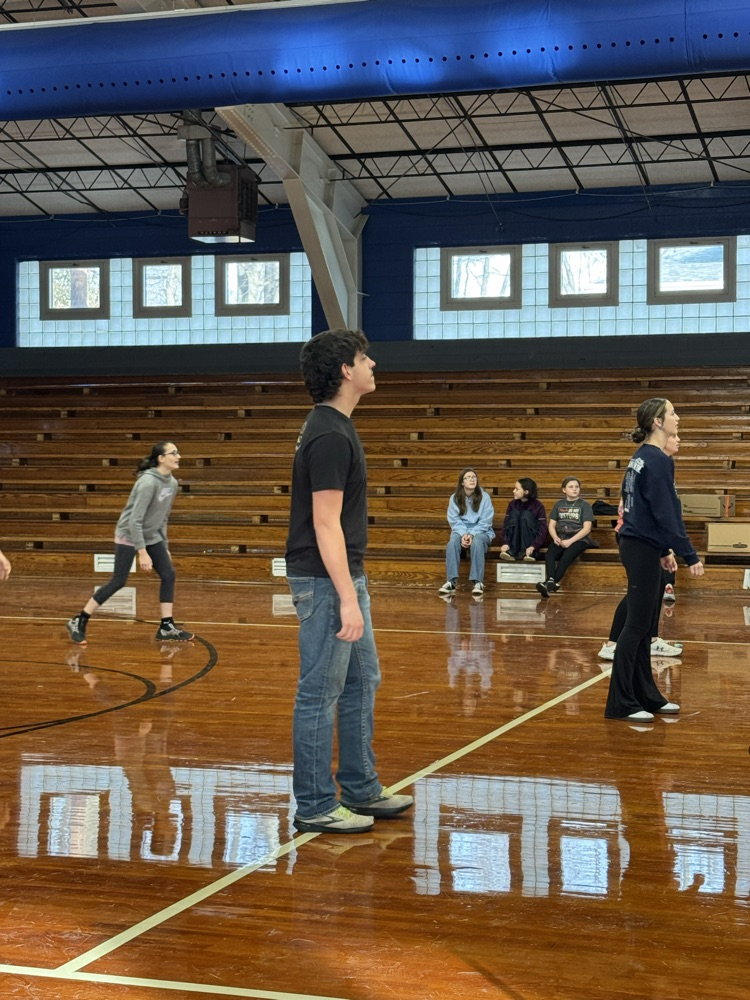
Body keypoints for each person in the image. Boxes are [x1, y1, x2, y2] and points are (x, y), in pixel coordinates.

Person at [285, 328, 413, 835]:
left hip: (341, 576)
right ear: (345, 371)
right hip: (325, 581)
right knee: (319, 691)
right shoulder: (330, 434)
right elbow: (324, 522)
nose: (373, 364)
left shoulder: (333, 426)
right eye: (364, 358)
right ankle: (315, 803)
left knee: (363, 680)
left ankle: (360, 788)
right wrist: (347, 597)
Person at [604, 398, 704, 722]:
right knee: (635, 626)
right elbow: (665, 515)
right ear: (658, 422)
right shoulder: (656, 460)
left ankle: (646, 695)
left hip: (644, 545)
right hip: (639, 546)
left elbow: (644, 511)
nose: (678, 416)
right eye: (673, 412)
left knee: (646, 626)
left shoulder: (644, 458)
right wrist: (689, 554)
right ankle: (621, 702)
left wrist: (663, 551)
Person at [65, 441, 194, 646]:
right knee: (119, 581)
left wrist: (165, 545)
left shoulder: (172, 484)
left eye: (178, 452)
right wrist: (142, 552)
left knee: (169, 574)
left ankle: (166, 626)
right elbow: (135, 520)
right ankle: (79, 620)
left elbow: (163, 517)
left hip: (153, 535)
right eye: (174, 453)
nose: (179, 456)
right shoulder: (147, 483)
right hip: (129, 534)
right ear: (161, 458)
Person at [599, 432, 683, 661]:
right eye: (674, 436)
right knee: (639, 591)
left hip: (650, 538)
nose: (678, 439)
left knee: (656, 587)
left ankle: (652, 639)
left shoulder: (663, 467)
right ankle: (612, 643)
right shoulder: (646, 466)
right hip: (636, 537)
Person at [438, 468, 495, 596]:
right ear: (462, 482)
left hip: (482, 531)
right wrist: (464, 534)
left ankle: (477, 582)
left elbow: (486, 521)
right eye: (468, 477)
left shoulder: (484, 497)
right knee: (452, 543)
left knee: (477, 542)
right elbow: (454, 520)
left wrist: (472, 534)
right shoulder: (454, 498)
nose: (472, 479)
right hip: (461, 530)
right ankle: (451, 581)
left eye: (474, 477)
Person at [536, 477, 596, 598]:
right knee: (550, 554)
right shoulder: (558, 504)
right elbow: (552, 525)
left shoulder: (584, 505)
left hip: (579, 539)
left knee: (566, 557)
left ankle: (548, 584)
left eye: (576, 487)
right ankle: (552, 582)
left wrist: (570, 541)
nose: (574, 489)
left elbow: (587, 528)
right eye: (571, 487)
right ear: (564, 489)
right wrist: (555, 537)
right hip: (561, 538)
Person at [498, 478, 547, 563]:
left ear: (526, 492)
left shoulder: (538, 506)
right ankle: (511, 551)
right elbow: (506, 525)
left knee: (526, 515)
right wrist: (505, 542)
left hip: (530, 544)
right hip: (513, 543)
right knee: (515, 513)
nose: (514, 491)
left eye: (517, 489)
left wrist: (533, 546)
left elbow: (542, 529)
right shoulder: (512, 504)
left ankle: (528, 553)